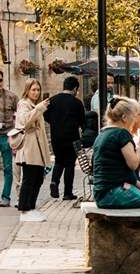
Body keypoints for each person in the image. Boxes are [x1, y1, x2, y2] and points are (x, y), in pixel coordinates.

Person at [92, 97, 140, 274]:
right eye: (133, 117)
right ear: (124, 118)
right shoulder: (121, 135)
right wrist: (138, 146)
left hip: (104, 193)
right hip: (115, 193)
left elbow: (125, 171)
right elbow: (131, 164)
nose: (134, 122)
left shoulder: (103, 134)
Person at [14, 80, 51, 222]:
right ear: (27, 90)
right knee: (29, 179)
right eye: (33, 90)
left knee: (37, 179)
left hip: (37, 147)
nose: (36, 92)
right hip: (29, 148)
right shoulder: (24, 104)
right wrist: (39, 108)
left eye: (38, 90)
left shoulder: (34, 105)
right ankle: (24, 209)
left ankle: (31, 207)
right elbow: (23, 121)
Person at [45, 75, 85, 201]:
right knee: (69, 164)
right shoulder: (77, 103)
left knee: (59, 161)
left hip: (56, 137)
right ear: (74, 89)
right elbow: (82, 121)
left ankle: (54, 182)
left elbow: (46, 116)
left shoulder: (52, 100)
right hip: (72, 137)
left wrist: (55, 123)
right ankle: (68, 193)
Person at [0, 72, 19, 206]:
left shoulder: (11, 97)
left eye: (0, 80)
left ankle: (6, 197)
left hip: (7, 135)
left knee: (8, 168)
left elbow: (19, 114)